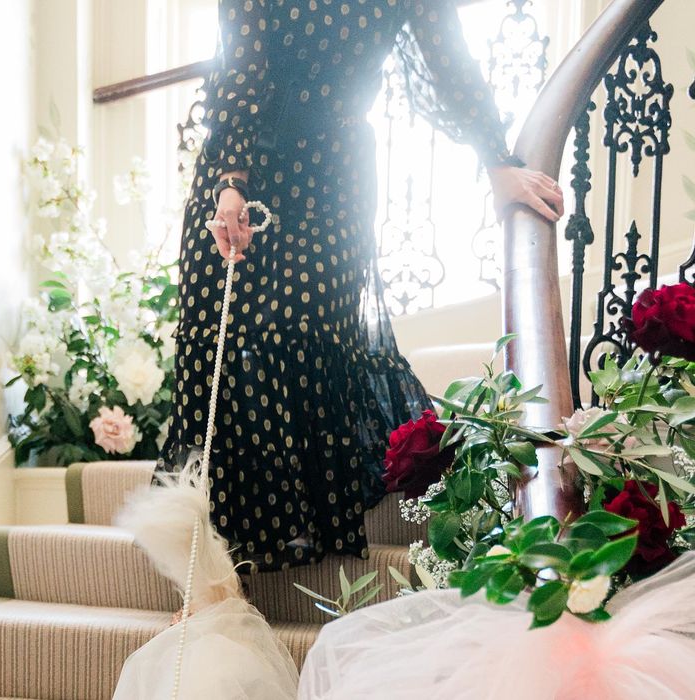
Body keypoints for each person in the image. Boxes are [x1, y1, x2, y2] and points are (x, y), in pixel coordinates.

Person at [155, 0, 564, 572]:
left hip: (332, 169)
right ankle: (216, 566)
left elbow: (444, 57)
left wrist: (495, 159)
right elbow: (242, 64)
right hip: (240, 173)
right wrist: (230, 182)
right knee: (226, 341)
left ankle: (299, 525)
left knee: (308, 328)